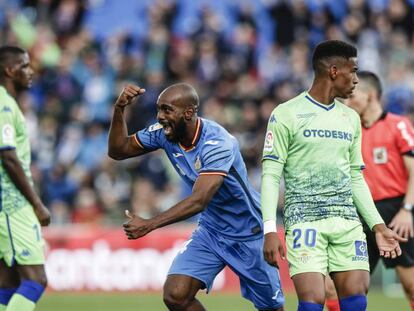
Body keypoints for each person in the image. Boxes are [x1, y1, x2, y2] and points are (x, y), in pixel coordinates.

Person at [108, 83, 285, 311]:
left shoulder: (217, 143)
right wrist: (119, 109)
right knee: (175, 295)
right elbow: (118, 150)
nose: (160, 117)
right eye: (159, 109)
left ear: (189, 113)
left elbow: (200, 199)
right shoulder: (165, 135)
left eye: (167, 110)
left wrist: (150, 224)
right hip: (211, 231)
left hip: (248, 233)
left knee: (272, 309)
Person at [260, 40, 406, 311]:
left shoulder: (350, 118)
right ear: (334, 71)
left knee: (355, 300)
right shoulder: (286, 114)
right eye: (354, 71)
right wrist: (270, 230)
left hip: (347, 223)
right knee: (313, 301)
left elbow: (355, 176)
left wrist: (377, 225)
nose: (356, 80)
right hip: (305, 223)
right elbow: (270, 175)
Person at [324, 71, 414, 311]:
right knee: (338, 286)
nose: (348, 101)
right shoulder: (349, 130)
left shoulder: (398, 125)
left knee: (411, 286)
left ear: (370, 95)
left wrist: (407, 209)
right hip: (359, 213)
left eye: (353, 96)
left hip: (395, 212)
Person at [0, 46, 50, 311]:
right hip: (11, 205)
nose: (31, 72)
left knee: (7, 283)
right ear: (10, 70)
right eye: (25, 66)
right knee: (35, 280)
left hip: (5, 206)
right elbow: (7, 155)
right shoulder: (4, 105)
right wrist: (36, 203)